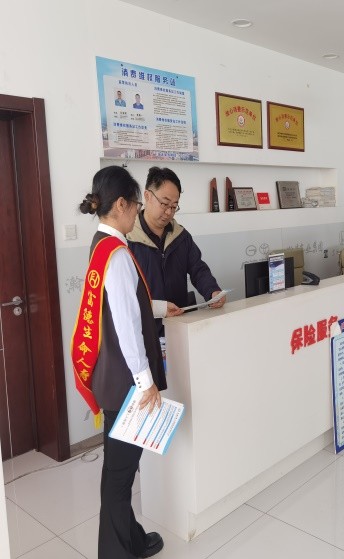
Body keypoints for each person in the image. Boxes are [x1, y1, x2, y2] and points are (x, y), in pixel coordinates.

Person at [71, 166, 183, 558]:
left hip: (112, 379)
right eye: (136, 204)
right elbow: (125, 324)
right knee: (119, 478)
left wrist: (160, 307)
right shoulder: (117, 254)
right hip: (126, 385)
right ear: (121, 204)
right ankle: (116, 552)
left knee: (118, 471)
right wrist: (145, 381)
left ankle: (131, 540)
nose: (138, 211)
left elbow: (120, 304)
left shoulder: (101, 244)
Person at [127, 166, 225, 336]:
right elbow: (124, 295)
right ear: (147, 196)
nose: (168, 212)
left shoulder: (181, 237)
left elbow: (198, 269)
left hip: (179, 328)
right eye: (164, 204)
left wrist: (212, 291)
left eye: (174, 207)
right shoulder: (128, 239)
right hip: (144, 333)